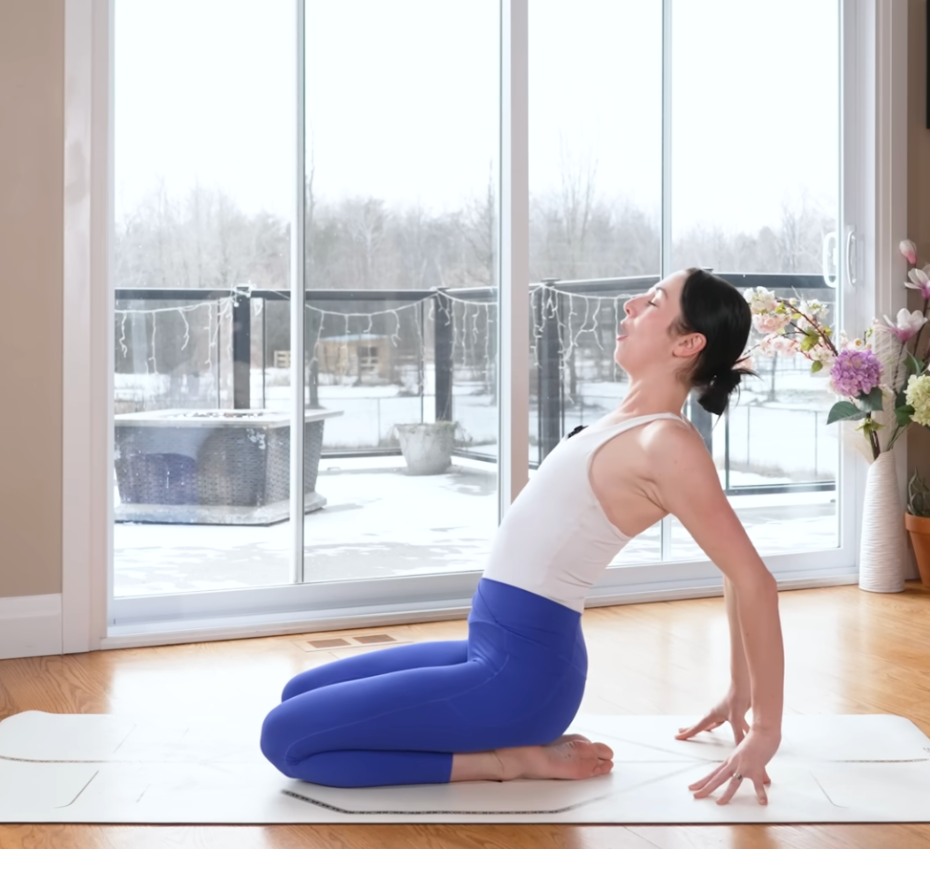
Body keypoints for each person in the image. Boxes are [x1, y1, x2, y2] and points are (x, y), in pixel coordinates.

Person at [260, 268, 784, 806]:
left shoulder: (666, 443)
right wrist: (738, 690)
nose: (629, 304)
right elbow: (731, 572)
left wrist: (765, 729)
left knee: (287, 741)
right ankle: (507, 740)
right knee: (298, 695)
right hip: (488, 647)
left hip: (521, 677)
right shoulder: (624, 421)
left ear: (688, 342)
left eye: (653, 302)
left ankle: (515, 760)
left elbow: (752, 579)